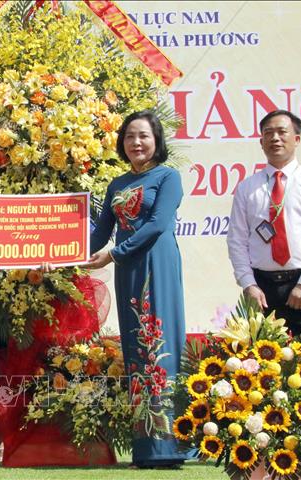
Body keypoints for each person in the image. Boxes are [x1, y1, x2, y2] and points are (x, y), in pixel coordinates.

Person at [86, 110, 187, 468]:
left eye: (143, 136)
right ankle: (146, 448)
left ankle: (169, 447)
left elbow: (159, 224)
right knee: (135, 347)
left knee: (160, 344)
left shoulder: (168, 177)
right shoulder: (116, 184)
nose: (136, 143)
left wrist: (114, 253)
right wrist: (64, 251)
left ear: (157, 140)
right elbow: (99, 233)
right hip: (128, 269)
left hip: (156, 264)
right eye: (130, 136)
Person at [227, 109, 301, 355]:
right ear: (261, 142)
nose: (275, 138)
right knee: (264, 370)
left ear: (297, 139)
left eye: (281, 132)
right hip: (262, 289)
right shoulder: (247, 188)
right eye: (268, 133)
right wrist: (248, 284)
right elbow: (236, 240)